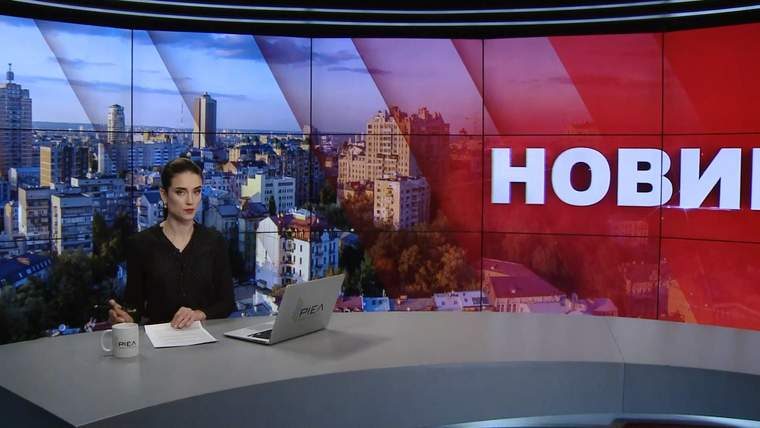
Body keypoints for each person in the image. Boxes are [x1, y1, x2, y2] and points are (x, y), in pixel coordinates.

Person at [109, 157, 234, 329]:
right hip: (158, 341)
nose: (190, 201)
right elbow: (135, 307)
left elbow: (227, 303)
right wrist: (125, 319)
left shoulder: (215, 241)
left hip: (206, 339)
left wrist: (198, 314)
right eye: (181, 192)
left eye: (196, 192)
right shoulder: (140, 244)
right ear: (164, 195)